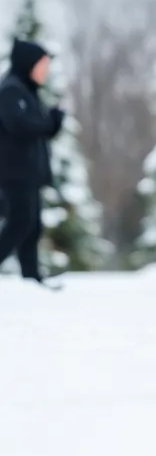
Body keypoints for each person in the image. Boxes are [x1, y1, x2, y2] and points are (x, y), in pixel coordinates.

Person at [0, 39, 66, 284]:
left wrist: (52, 122)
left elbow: (38, 130)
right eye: (42, 65)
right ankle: (31, 277)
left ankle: (31, 278)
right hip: (13, 173)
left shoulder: (26, 91)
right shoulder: (10, 90)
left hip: (28, 174)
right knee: (19, 223)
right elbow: (18, 125)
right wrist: (50, 122)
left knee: (31, 226)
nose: (45, 71)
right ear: (28, 64)